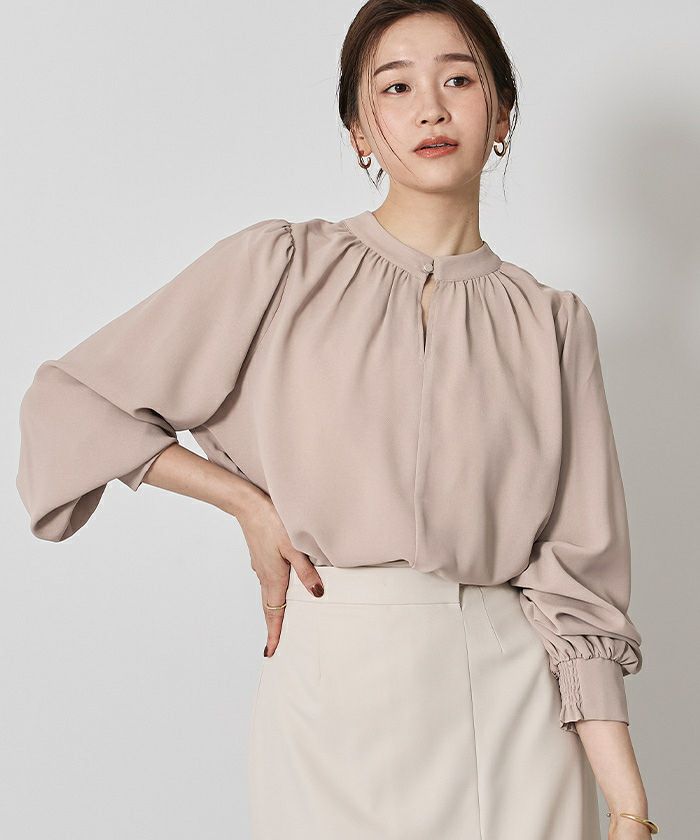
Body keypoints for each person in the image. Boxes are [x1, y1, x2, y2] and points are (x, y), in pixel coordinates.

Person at [16, 1, 659, 838]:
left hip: (516, 713)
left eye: (458, 80)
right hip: (333, 702)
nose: (430, 109)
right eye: (396, 87)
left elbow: (579, 591)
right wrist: (245, 503)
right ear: (359, 131)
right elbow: (71, 400)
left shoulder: (553, 325)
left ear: (502, 113)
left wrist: (629, 806)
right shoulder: (283, 269)